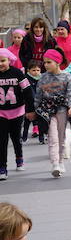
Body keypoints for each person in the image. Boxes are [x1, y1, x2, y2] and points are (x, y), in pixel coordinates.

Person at [33, 49, 71, 178]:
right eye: (44, 62)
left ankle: (61, 161)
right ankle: (55, 164)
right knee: (52, 138)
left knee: (61, 138)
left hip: (62, 111)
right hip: (48, 112)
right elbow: (38, 96)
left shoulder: (67, 76)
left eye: (49, 62)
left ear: (57, 62)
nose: (45, 65)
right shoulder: (43, 78)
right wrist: (35, 110)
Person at [0, 49, 33, 178]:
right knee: (1, 140)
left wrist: (30, 110)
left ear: (9, 60)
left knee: (15, 138)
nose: (1, 64)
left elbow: (28, 91)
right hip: (1, 113)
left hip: (17, 112)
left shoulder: (17, 73)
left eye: (3, 61)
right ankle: (2, 167)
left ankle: (19, 158)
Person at [21, 61, 44, 145]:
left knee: (40, 122)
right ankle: (24, 137)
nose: (36, 72)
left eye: (38, 70)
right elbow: (29, 92)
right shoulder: (26, 79)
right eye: (33, 70)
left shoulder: (42, 78)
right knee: (27, 122)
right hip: (29, 104)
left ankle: (41, 138)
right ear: (28, 71)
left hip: (40, 104)